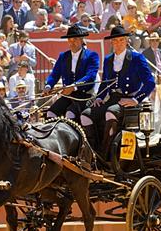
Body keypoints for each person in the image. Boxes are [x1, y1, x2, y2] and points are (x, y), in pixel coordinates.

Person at [81, 25, 155, 159]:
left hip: (130, 99)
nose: (118, 43)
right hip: (113, 99)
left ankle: (105, 155)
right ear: (112, 42)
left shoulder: (137, 58)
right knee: (85, 115)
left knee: (110, 112)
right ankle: (92, 152)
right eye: (115, 41)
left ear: (126, 41)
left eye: (121, 40)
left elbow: (150, 82)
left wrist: (135, 100)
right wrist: (99, 97)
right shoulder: (108, 59)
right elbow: (104, 83)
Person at [42, 24, 100, 120]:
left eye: (75, 40)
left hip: (84, 95)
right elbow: (54, 74)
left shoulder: (92, 55)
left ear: (81, 40)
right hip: (68, 95)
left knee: (70, 113)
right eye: (70, 40)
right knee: (51, 112)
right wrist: (48, 86)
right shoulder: (63, 56)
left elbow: (90, 76)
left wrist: (74, 86)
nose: (72, 43)